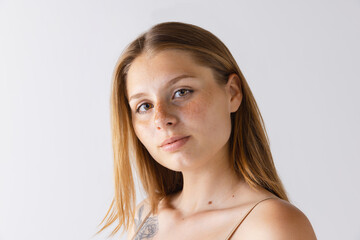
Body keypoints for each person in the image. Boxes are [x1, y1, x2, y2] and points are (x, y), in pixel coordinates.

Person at [97, 22, 317, 239]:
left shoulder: (272, 225)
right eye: (144, 106)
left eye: (181, 92)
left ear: (232, 93)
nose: (162, 119)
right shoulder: (145, 215)